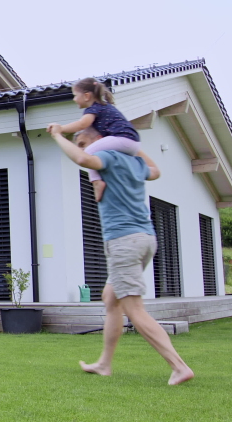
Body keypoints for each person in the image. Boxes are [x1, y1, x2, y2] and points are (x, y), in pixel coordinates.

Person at [46, 123, 194, 386]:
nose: (83, 149)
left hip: (124, 241)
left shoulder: (106, 157)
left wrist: (58, 135)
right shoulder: (132, 162)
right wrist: (133, 146)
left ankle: (179, 366)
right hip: (145, 238)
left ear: (101, 140)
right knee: (110, 298)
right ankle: (104, 364)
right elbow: (155, 171)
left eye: (83, 143)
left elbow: (82, 159)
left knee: (133, 308)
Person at [50, 78, 141, 203]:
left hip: (122, 139)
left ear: (87, 96)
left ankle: (96, 182)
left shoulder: (94, 108)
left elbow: (82, 124)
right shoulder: (105, 107)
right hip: (133, 143)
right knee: (103, 158)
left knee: (88, 153)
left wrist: (60, 129)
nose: (74, 99)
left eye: (75, 95)